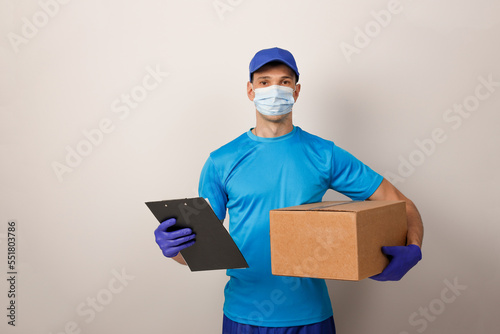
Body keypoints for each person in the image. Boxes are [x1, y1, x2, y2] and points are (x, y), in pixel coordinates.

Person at [154, 47, 424, 334]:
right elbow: (203, 249)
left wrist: (414, 245)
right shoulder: (221, 161)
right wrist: (174, 249)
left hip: (310, 315)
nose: (274, 89)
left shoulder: (324, 154)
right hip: (243, 316)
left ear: (296, 91)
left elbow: (401, 205)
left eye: (284, 82)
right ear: (250, 90)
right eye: (264, 81)